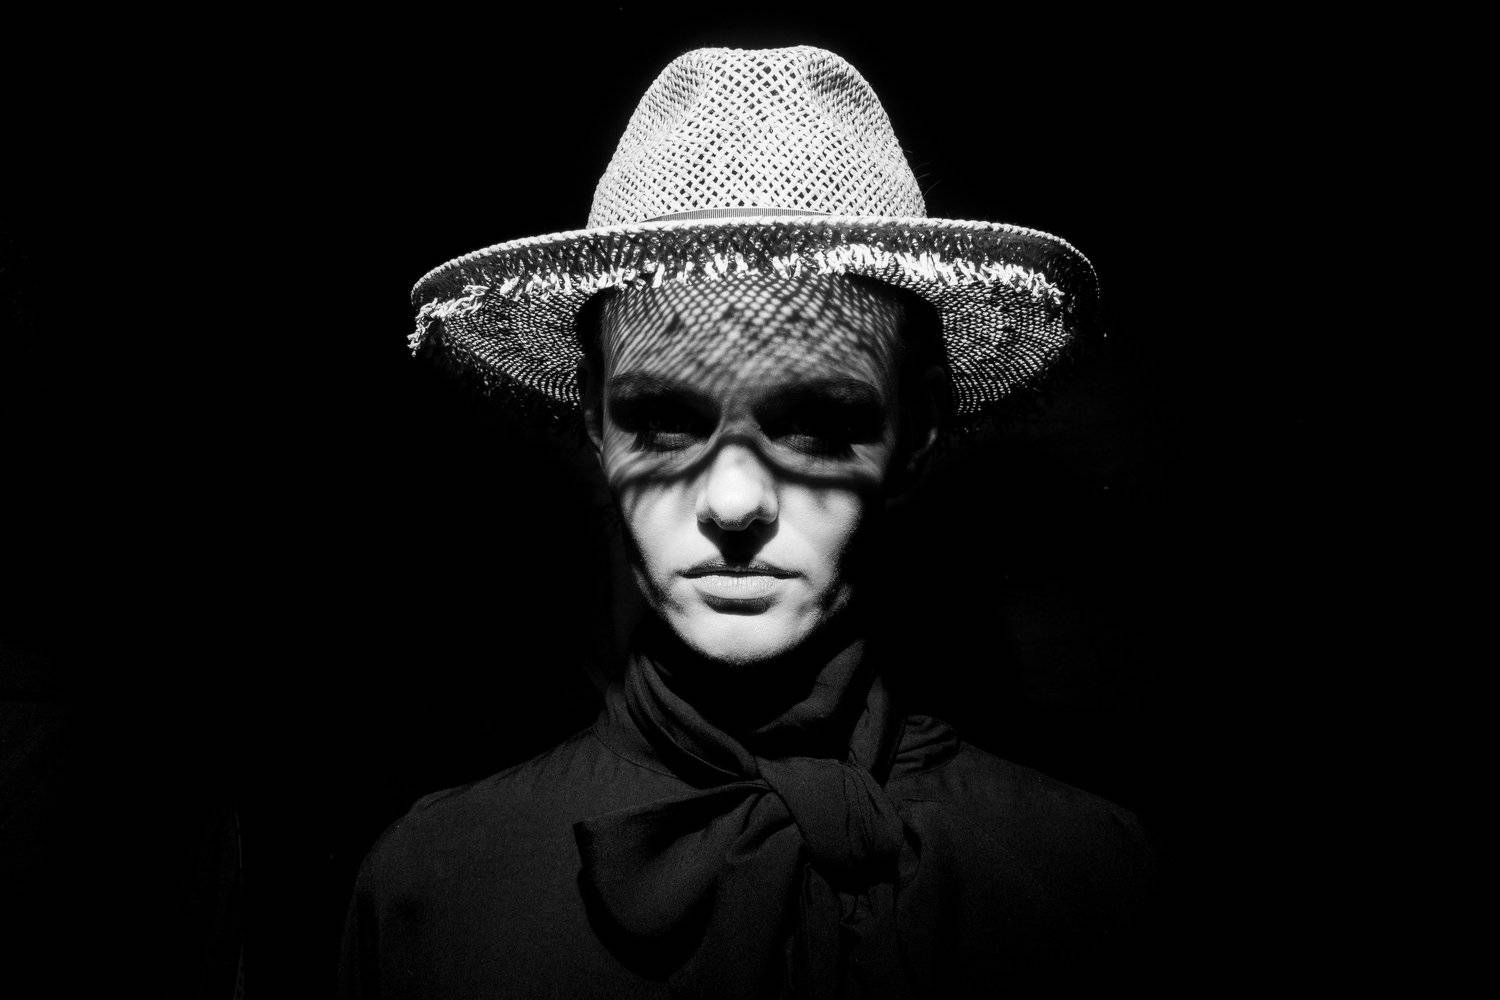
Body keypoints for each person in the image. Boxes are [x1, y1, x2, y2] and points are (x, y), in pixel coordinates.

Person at [339, 45, 1156, 998]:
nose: (733, 503)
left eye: (817, 423)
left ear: (919, 425)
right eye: (663, 419)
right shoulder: (438, 890)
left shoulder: (1089, 884)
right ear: (594, 420)